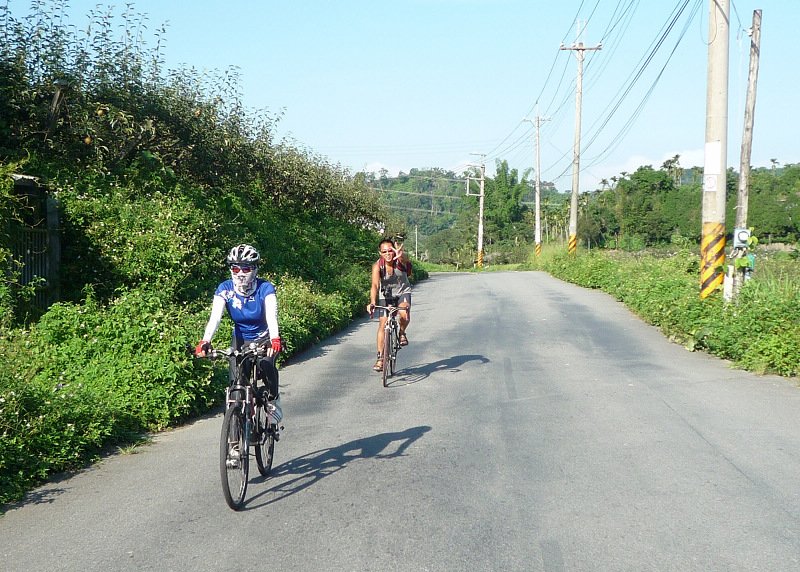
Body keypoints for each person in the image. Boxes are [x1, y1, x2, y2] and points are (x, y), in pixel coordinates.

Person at [195, 244, 283, 424]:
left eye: (246, 268)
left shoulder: (265, 288)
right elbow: (215, 318)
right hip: (240, 338)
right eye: (235, 268)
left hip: (264, 337)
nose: (240, 273)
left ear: (255, 268)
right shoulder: (225, 289)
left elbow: (271, 316)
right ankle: (236, 434)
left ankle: (274, 399)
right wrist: (205, 341)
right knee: (236, 384)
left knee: (266, 365)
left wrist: (274, 338)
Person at [366, 237, 412, 372]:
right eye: (384, 251)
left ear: (394, 250)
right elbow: (374, 285)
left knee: (404, 314)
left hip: (403, 292)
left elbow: (406, 259)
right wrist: (373, 302)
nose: (388, 254)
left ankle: (402, 333)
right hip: (386, 296)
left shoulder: (400, 260)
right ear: (380, 253)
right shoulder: (377, 266)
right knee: (382, 324)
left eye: (390, 251)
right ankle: (380, 358)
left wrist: (401, 254)